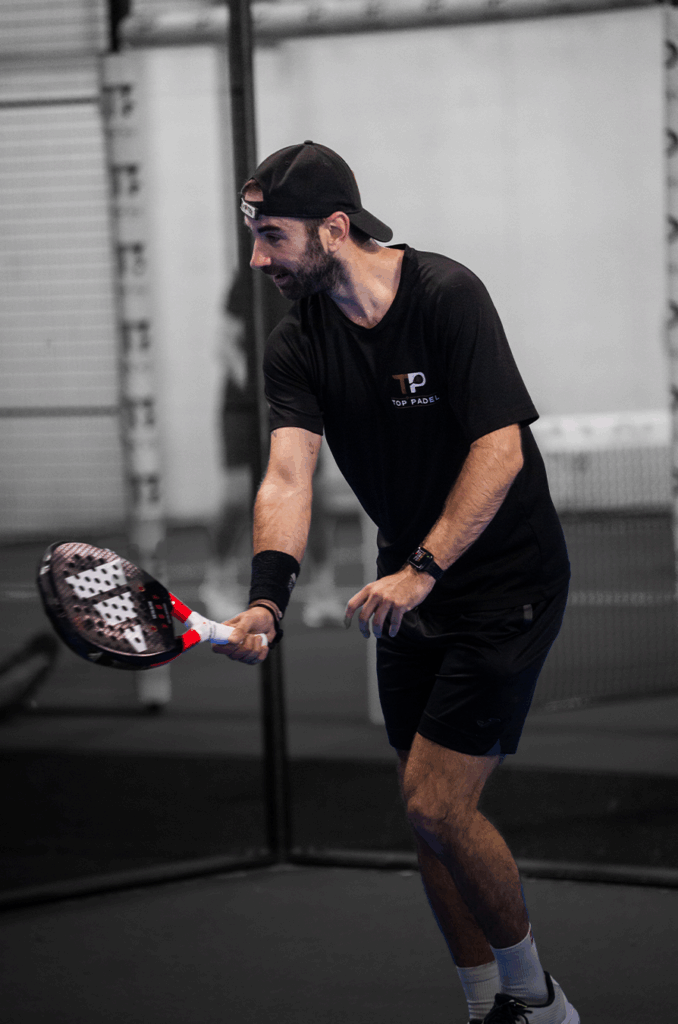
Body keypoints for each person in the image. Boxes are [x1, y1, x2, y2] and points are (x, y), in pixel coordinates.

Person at [212, 140, 577, 1024]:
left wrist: (422, 569)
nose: (257, 259)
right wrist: (267, 597)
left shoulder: (447, 295)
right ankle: (484, 1005)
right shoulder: (297, 344)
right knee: (424, 819)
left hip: (504, 583)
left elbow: (499, 449)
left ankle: (540, 1003)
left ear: (334, 228)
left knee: (436, 803)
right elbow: (287, 477)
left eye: (272, 236)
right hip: (408, 593)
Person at [200, 265, 345, 628]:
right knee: (237, 495)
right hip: (244, 405)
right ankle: (217, 581)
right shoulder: (248, 279)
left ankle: (323, 589)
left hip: (296, 402)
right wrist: (261, 386)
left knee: (315, 495)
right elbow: (225, 343)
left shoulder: (314, 280)